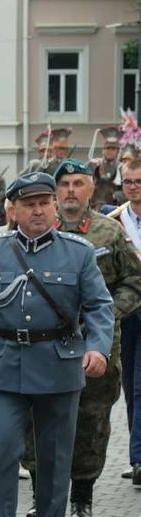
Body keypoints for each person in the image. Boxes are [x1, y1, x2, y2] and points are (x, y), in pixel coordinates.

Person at [0, 173, 112, 517]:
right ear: (13, 210)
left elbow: (99, 307)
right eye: (28, 204)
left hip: (58, 363)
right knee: (2, 447)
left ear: (55, 207)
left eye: (44, 203)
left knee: (55, 456)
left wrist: (98, 348)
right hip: (5, 363)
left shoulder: (79, 252)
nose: (37, 210)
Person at [41, 159, 141, 517]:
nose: (70, 190)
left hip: (95, 347)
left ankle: (82, 498)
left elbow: (134, 280)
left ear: (91, 190)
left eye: (78, 183)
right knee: (39, 422)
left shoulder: (108, 233)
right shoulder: (37, 230)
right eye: (64, 183)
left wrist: (110, 312)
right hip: (45, 345)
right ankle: (42, 496)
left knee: (90, 422)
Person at [111, 157, 141, 484]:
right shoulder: (114, 220)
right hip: (127, 312)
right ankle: (138, 452)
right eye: (128, 181)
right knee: (130, 383)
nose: (133, 187)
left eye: (139, 181)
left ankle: (139, 456)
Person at [92, 129, 123, 210]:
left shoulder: (122, 168)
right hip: (94, 205)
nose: (110, 151)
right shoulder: (92, 165)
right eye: (107, 148)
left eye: (113, 149)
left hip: (116, 206)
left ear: (118, 151)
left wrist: (116, 195)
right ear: (103, 150)